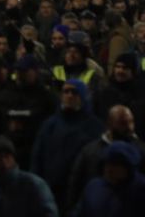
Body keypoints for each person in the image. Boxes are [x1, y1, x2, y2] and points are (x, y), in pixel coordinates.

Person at [31, 78, 106, 209]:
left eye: (74, 92)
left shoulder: (95, 127)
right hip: (52, 192)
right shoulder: (50, 125)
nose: (69, 96)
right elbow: (38, 157)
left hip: (82, 193)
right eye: (66, 92)